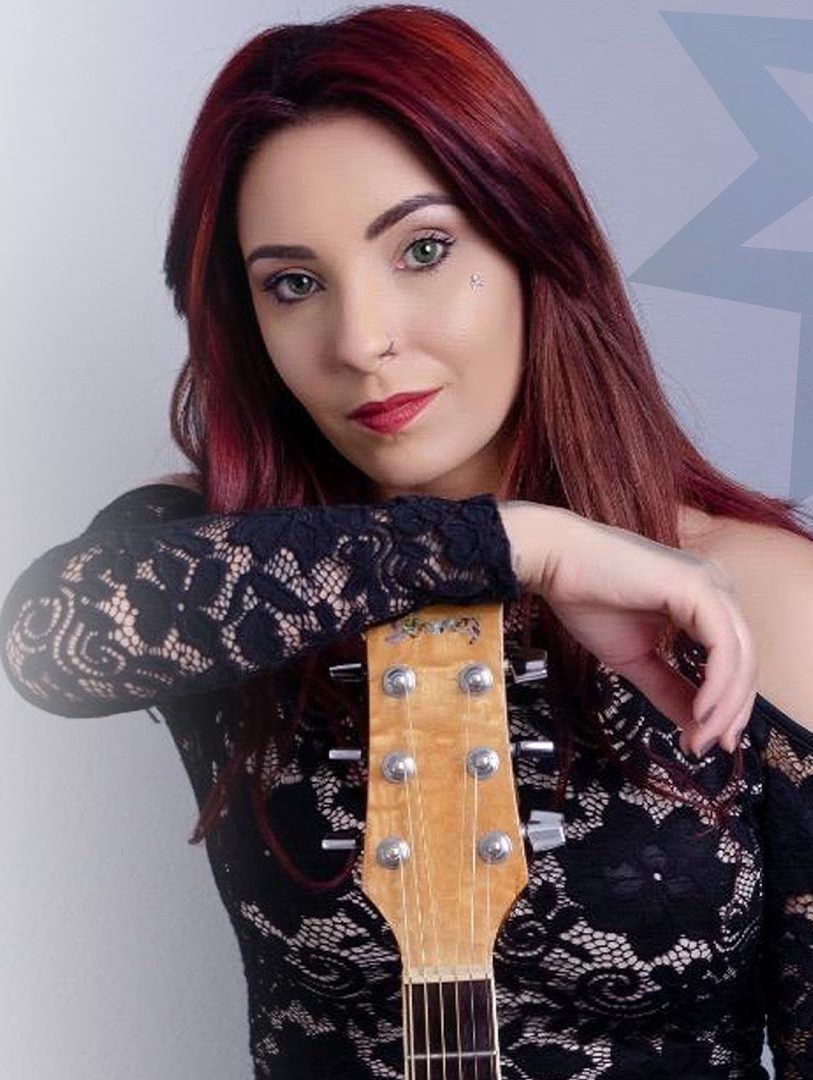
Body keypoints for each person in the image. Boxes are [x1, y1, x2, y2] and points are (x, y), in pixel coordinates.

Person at [2, 5, 812, 1078]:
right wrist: (513, 545)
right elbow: (47, 640)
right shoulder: (231, 568)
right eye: (294, 284)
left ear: (532, 243)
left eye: (423, 250)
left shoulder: (754, 592)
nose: (361, 341)